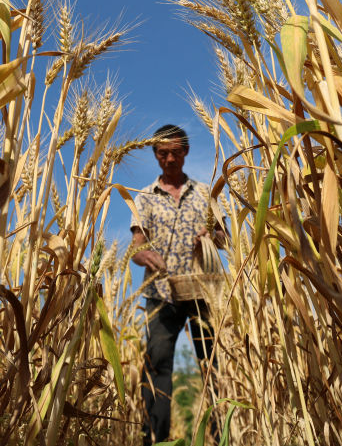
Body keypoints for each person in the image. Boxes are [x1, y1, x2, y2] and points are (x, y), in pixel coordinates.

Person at [131, 124, 225, 446]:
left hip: (203, 292)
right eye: (162, 153)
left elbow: (224, 237)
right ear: (155, 154)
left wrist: (211, 239)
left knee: (214, 369)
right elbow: (136, 248)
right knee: (158, 369)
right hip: (161, 294)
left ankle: (220, 439)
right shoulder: (144, 197)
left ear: (185, 152)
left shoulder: (204, 193)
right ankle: (155, 441)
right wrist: (147, 256)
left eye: (175, 152)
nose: (169, 158)